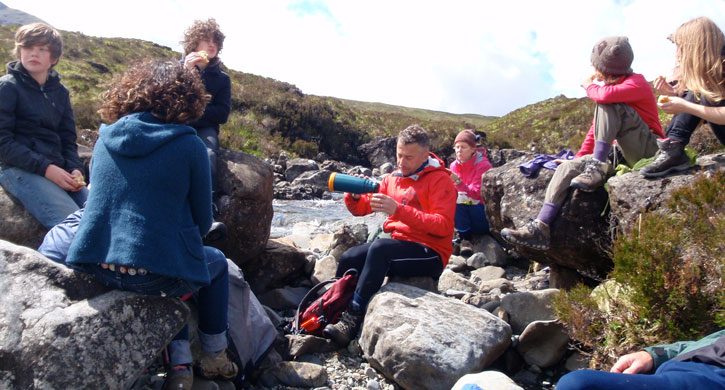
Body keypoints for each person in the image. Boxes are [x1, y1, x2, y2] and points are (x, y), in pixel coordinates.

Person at [63, 61, 237, 390]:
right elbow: (202, 221)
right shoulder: (191, 145)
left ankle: (179, 364)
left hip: (98, 266)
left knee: (169, 259)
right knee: (214, 264)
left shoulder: (103, 139)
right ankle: (211, 355)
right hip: (152, 276)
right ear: (189, 101)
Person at [500, 36, 663, 250]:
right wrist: (578, 160)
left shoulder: (636, 83)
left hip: (649, 150)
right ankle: (541, 227)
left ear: (603, 67)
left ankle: (597, 166)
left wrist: (589, 86)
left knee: (606, 103)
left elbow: (603, 96)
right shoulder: (609, 95)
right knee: (568, 167)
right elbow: (595, 131)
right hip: (620, 152)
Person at [323, 125, 457, 346]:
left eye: (409, 157)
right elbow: (362, 209)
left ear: (425, 155)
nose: (401, 162)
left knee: (379, 249)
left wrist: (398, 210)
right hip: (400, 245)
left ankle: (352, 318)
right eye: (399, 155)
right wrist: (355, 197)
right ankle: (334, 306)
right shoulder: (393, 179)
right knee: (350, 257)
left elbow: (443, 226)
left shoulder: (441, 181)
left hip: (431, 252)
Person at [0, 23, 87, 228]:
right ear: (20, 51)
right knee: (75, 225)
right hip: (18, 168)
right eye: (28, 48)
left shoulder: (61, 92)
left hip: (56, 167)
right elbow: (2, 143)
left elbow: (67, 138)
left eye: (42, 49)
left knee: (102, 215)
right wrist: (47, 169)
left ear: (54, 58)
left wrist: (74, 169)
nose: (33, 54)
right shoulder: (7, 87)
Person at [640, 17, 725, 177]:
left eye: (680, 47)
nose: (678, 53)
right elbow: (704, 113)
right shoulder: (715, 71)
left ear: (695, 47)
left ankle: (674, 150)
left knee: (702, 92)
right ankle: (674, 147)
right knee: (699, 91)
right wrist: (674, 96)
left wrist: (685, 106)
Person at [181, 18, 231, 242]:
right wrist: (187, 72)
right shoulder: (177, 69)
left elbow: (222, 113)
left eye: (215, 41)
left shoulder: (222, 79)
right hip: (176, 122)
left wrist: (196, 114)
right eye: (206, 39)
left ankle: (207, 212)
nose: (211, 45)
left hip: (204, 129)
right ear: (194, 42)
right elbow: (167, 99)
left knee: (207, 153)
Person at [556, 329, 725, 390]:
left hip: (710, 382)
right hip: (680, 371)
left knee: (580, 384)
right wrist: (653, 355)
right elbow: (700, 344)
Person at [449, 129, 493, 242]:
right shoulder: (453, 165)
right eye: (457, 147)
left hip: (481, 214)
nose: (459, 150)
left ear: (473, 149)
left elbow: (477, 195)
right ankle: (462, 234)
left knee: (458, 205)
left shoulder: (483, 165)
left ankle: (465, 239)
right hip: (463, 214)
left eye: (463, 147)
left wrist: (458, 182)